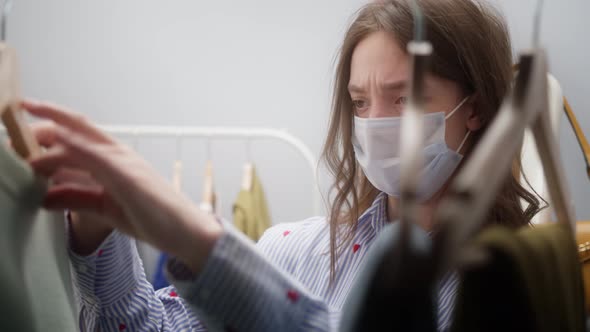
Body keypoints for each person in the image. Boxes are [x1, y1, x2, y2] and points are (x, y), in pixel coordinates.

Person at [22, 0, 542, 331]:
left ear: (473, 107)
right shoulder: (294, 251)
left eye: (402, 98)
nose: (375, 123)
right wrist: (97, 231)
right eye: (360, 103)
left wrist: (197, 241)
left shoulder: (521, 290)